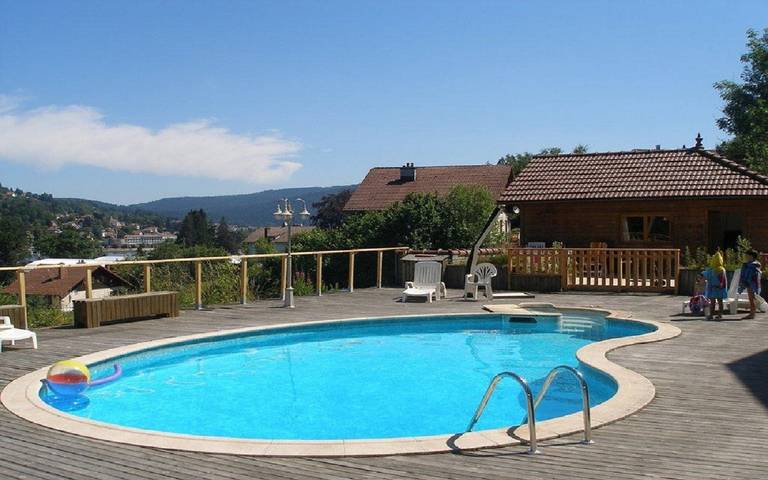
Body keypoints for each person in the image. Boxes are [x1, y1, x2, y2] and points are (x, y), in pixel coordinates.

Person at [703, 252, 727, 320]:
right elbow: (722, 280)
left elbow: (721, 280)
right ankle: (719, 314)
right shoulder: (718, 269)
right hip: (718, 288)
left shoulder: (717, 270)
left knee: (714, 302)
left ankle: (713, 315)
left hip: (716, 288)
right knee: (719, 302)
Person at [738, 249, 762, 319]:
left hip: (751, 283)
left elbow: (755, 274)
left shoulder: (753, 265)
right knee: (751, 298)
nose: (746, 257)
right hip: (750, 283)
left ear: (751, 256)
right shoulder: (750, 264)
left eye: (747, 255)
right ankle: (752, 313)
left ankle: (752, 313)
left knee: (751, 298)